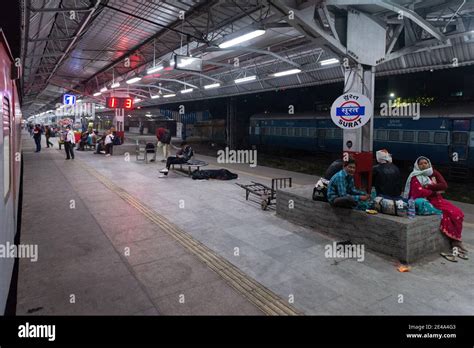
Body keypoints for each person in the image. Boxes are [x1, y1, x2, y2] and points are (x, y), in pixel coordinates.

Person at [403, 156, 467, 255]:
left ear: (429, 164)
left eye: (425, 163)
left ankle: (456, 240)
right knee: (448, 214)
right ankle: (455, 242)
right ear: (417, 166)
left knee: (458, 213)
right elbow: (418, 192)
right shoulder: (414, 176)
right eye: (421, 164)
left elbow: (444, 185)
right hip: (428, 201)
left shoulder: (433, 172)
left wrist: (428, 186)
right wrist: (434, 191)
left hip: (439, 199)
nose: (424, 165)